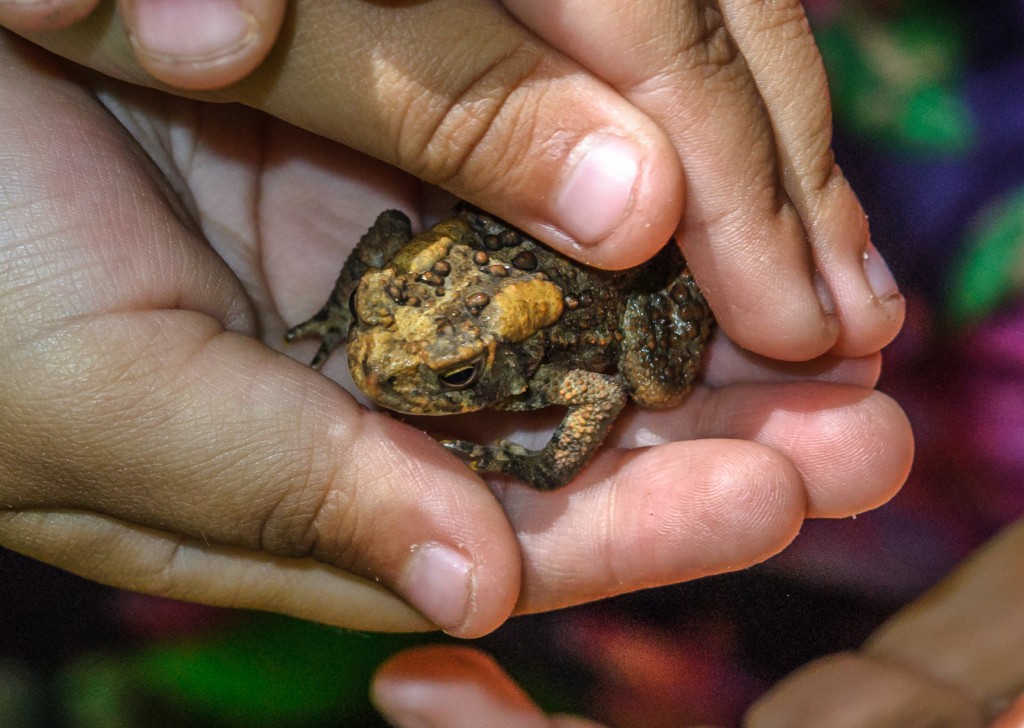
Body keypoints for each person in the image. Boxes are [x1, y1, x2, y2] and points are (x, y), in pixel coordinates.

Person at [0, 0, 910, 651]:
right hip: (503, 241)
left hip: (620, 285)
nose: (384, 374)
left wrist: (535, 461)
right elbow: (396, 231)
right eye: (372, 331)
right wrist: (351, 302)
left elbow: (594, 387)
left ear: (495, 369)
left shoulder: (539, 366)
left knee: (662, 382)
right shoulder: (406, 291)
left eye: (456, 377)